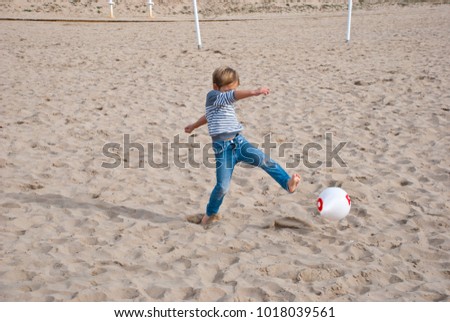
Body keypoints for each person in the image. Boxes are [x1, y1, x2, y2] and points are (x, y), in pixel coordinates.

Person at [185, 66, 300, 226]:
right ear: (215, 87)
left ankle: (287, 183)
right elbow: (231, 97)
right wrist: (254, 92)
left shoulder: (221, 102)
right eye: (228, 90)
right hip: (223, 150)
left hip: (239, 143)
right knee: (222, 187)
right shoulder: (213, 96)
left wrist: (194, 125)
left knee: (264, 160)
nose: (231, 94)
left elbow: (208, 116)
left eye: (234, 89)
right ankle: (209, 214)